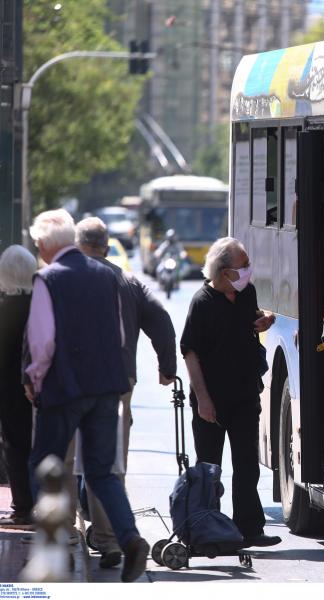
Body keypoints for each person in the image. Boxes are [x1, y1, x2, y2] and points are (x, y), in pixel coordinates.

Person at [24, 209, 150, 582]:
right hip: (106, 387)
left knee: (45, 465)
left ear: (47, 244)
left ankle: (51, 545)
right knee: (101, 472)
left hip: (64, 389)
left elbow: (42, 343)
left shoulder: (48, 278)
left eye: (38, 244)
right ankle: (128, 538)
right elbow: (121, 337)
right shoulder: (107, 275)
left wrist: (34, 380)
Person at [76, 217, 177, 569]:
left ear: (78, 245)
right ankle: (109, 540)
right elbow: (161, 319)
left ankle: (68, 532)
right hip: (118, 383)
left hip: (70, 384)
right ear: (106, 246)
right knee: (107, 463)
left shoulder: (65, 277)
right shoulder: (129, 280)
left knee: (61, 460)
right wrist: (167, 366)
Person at [180, 237, 280, 547]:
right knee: (210, 467)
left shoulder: (245, 292)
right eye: (243, 266)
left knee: (247, 463)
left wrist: (266, 320)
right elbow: (190, 352)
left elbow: (252, 318)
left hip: (245, 394)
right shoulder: (202, 302)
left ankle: (249, 528)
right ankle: (207, 530)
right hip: (212, 400)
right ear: (224, 272)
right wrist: (204, 400)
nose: (248, 271)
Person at [0, 245, 38, 528]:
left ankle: (23, 506)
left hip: (10, 391)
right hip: (40, 386)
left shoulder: (5, 309)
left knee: (15, 445)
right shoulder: (42, 304)